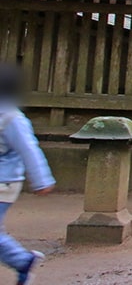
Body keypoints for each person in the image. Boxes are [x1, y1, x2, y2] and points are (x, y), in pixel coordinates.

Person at [0, 64, 55, 285]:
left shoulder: (12, 118)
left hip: (4, 181)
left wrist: (42, 179)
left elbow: (29, 149)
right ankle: (22, 261)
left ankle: (23, 261)